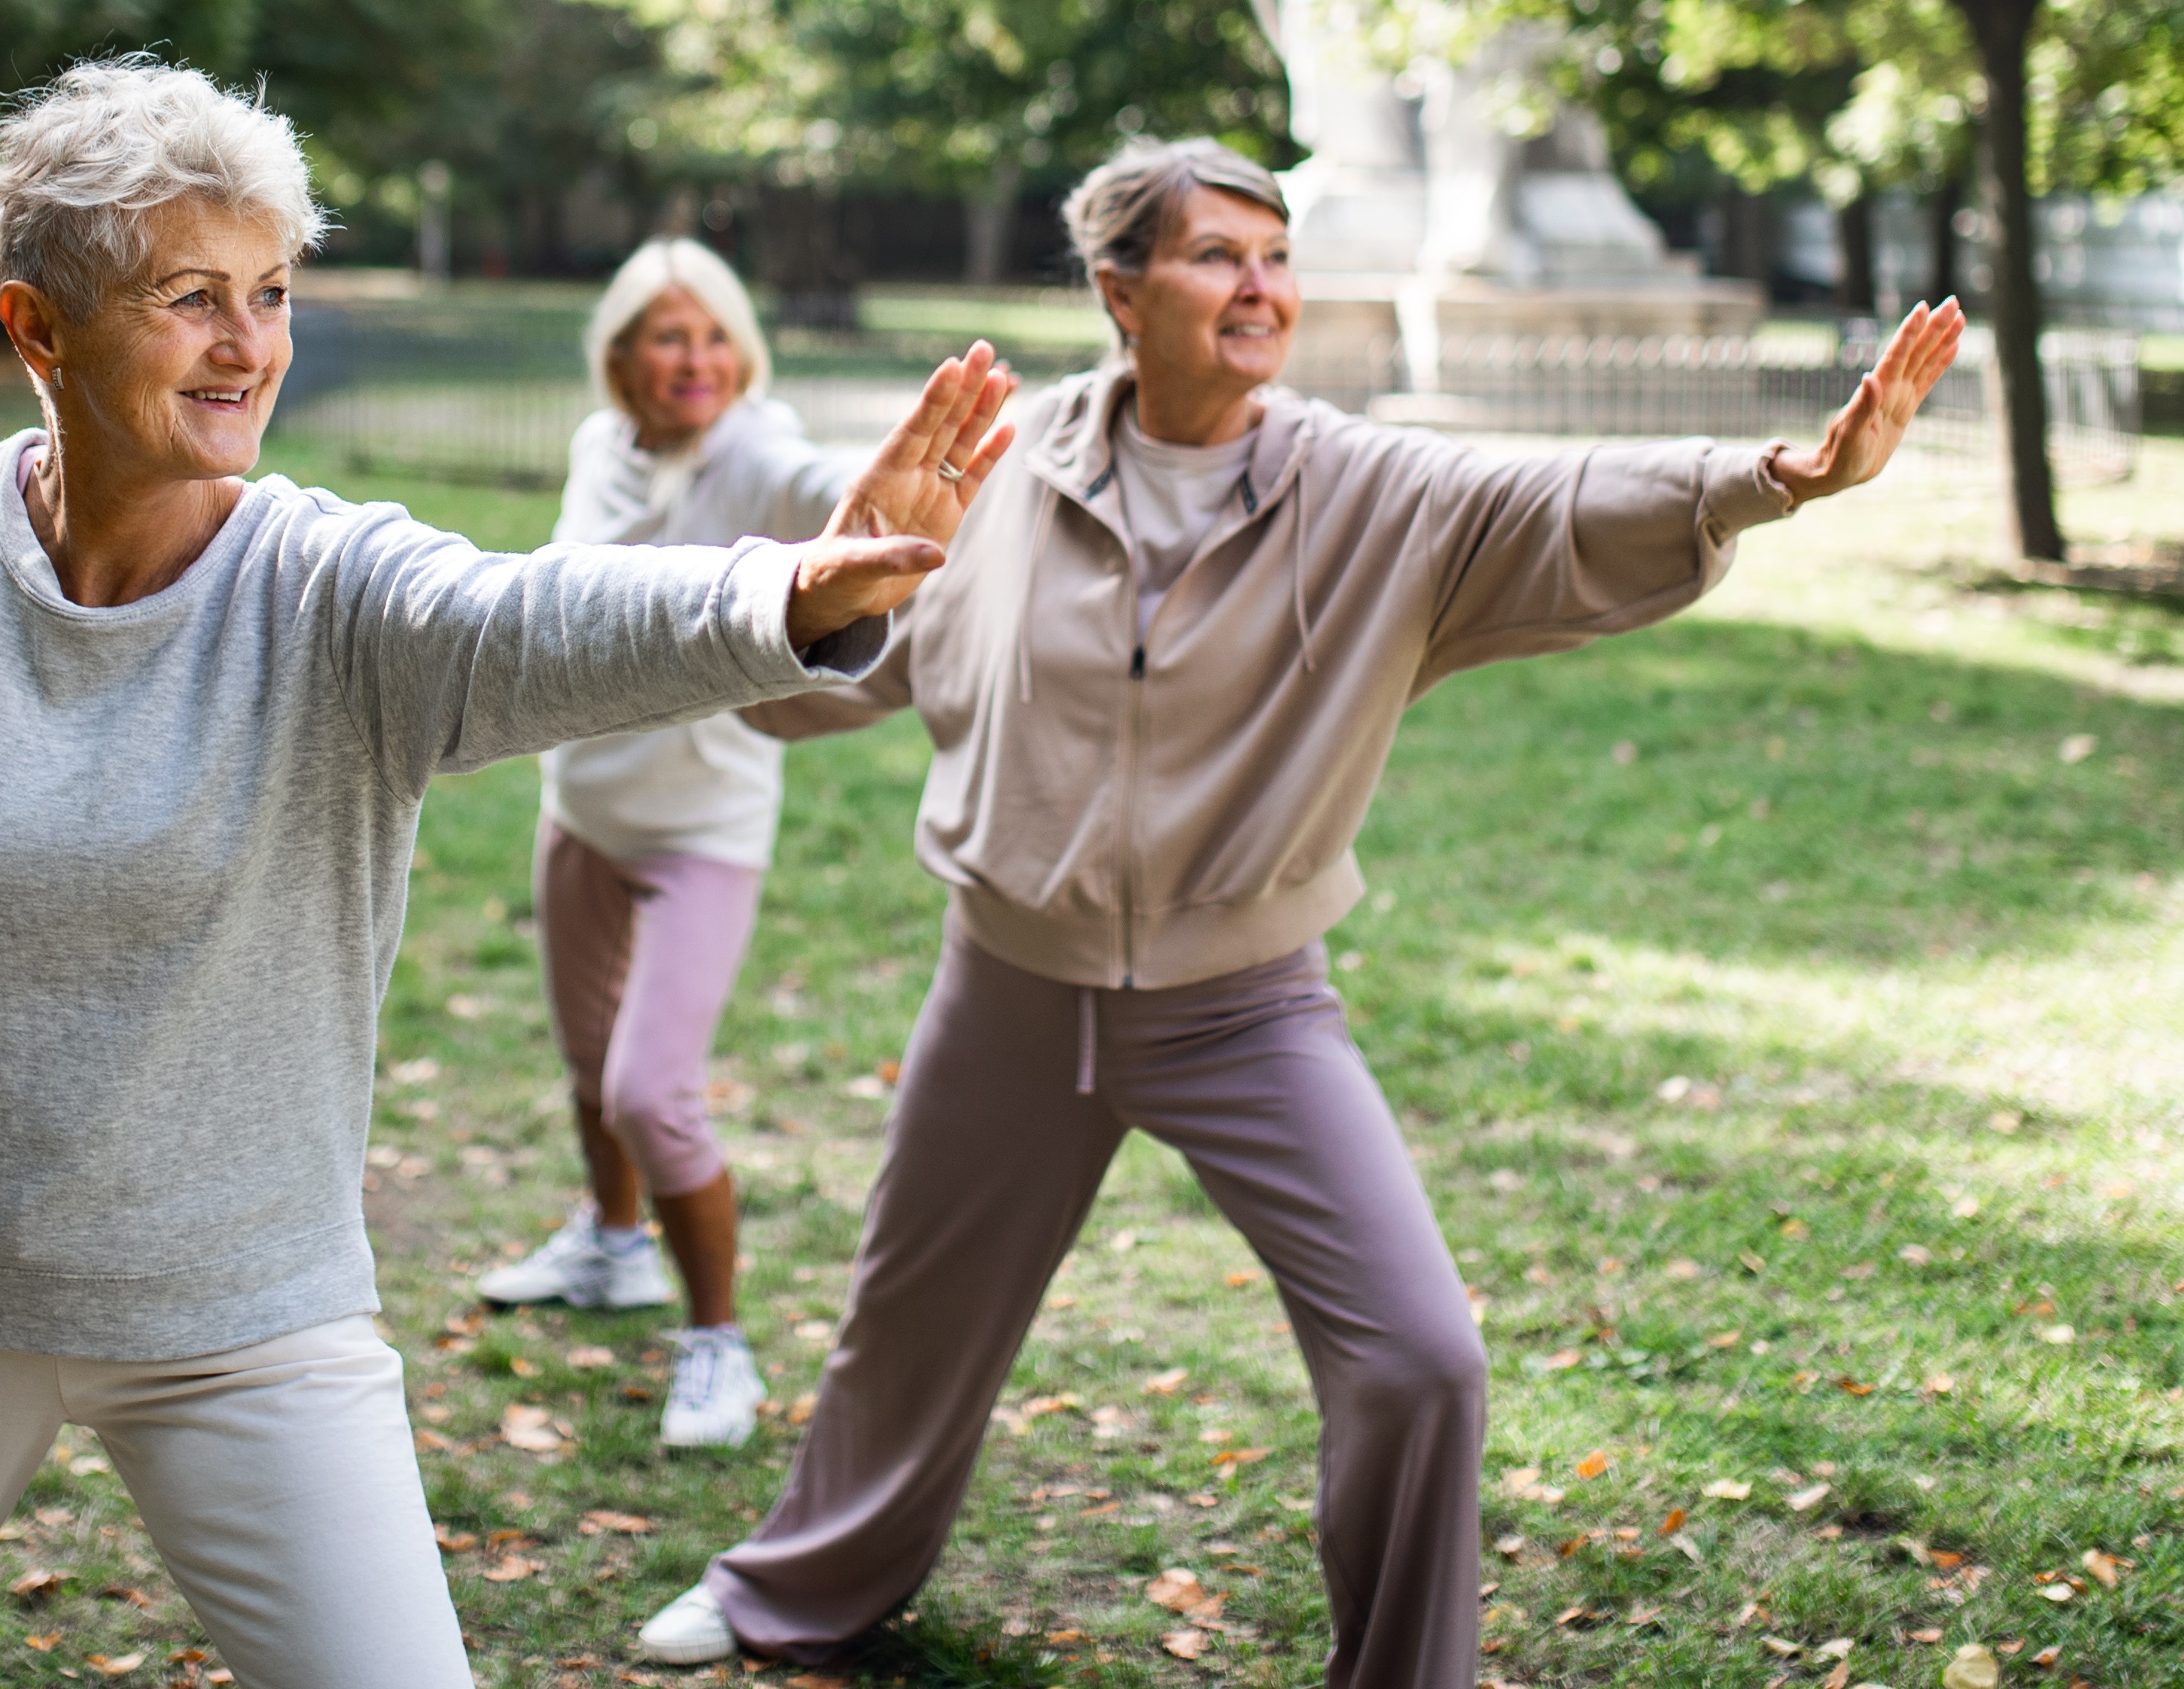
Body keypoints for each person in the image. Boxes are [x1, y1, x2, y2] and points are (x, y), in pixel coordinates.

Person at [0, 60, 1015, 1689]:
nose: (248, 342)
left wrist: (794, 596)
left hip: (243, 1310)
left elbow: (538, 617)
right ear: (39, 327)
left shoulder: (333, 584)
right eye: (190, 296)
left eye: (271, 292)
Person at [633, 138, 1964, 1687]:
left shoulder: (1362, 481)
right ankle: (796, 1587)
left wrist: (1777, 476)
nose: (1261, 284)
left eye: (1276, 253)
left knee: (1421, 1358)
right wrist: (819, 607)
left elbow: (1559, 494)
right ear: (1121, 289)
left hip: (1244, 1002)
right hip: (1008, 980)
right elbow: (829, 675)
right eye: (1217, 254)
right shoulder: (1003, 462)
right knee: (904, 1329)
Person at [476, 242, 860, 1449]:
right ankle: (612, 1248)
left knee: (652, 1092)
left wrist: (891, 492)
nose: (691, 361)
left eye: (710, 337)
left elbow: (826, 490)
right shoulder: (603, 448)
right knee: (591, 1071)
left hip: (703, 828)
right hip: (582, 803)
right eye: (664, 337)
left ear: (740, 348)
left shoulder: (756, 451)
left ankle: (718, 1342)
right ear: (621, 355)